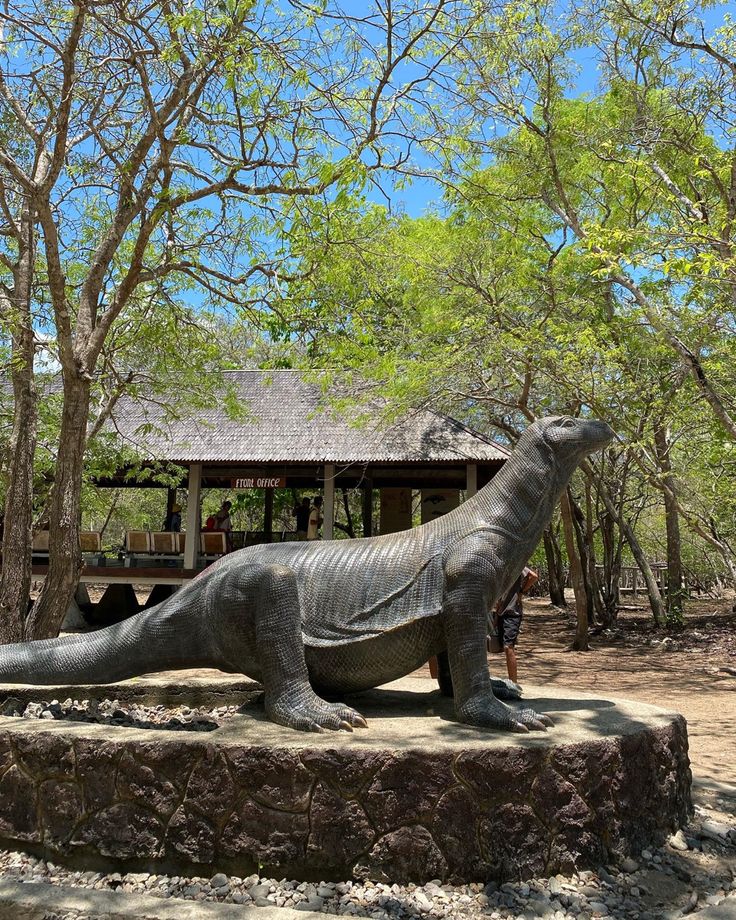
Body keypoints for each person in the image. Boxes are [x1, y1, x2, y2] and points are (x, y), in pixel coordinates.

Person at [490, 566, 538, 686]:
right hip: (501, 612)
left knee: (508, 647)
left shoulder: (517, 565)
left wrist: (521, 591)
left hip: (513, 613)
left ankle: (514, 684)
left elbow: (533, 576)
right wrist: (496, 619)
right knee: (498, 646)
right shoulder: (500, 568)